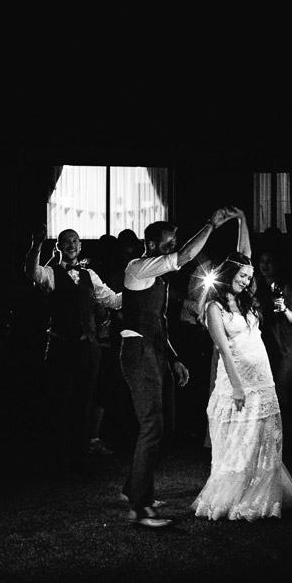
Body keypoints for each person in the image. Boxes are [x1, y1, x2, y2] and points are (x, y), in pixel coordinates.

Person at [120, 206, 238, 528]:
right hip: (138, 351)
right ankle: (140, 508)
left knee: (166, 429)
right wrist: (210, 224)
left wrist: (174, 359)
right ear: (155, 246)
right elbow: (185, 255)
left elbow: (159, 324)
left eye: (174, 242)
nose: (174, 247)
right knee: (152, 427)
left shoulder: (157, 280)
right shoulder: (139, 268)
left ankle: (133, 488)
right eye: (169, 243)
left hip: (156, 351)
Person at [192, 209, 292, 520]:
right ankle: (238, 493)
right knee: (241, 438)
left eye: (249, 277)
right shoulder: (214, 306)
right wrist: (238, 386)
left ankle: (264, 490)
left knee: (263, 435)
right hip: (238, 378)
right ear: (229, 275)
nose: (246, 280)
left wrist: (242, 220)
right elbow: (224, 351)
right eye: (242, 276)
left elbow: (245, 256)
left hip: (262, 376)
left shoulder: (245, 298)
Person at [23, 226, 122, 475]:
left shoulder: (90, 274)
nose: (72, 245)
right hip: (60, 346)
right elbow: (32, 272)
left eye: (76, 241)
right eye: (67, 242)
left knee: (83, 403)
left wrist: (139, 284)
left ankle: (79, 458)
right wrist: (35, 246)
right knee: (61, 402)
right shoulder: (51, 273)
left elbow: (112, 300)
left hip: (89, 348)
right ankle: (60, 459)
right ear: (59, 246)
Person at [254, 244, 292, 450]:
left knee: (282, 389)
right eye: (262, 262)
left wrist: (283, 307)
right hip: (265, 340)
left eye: (269, 261)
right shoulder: (255, 284)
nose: (265, 265)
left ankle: (286, 440)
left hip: (285, 339)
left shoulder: (285, 286)